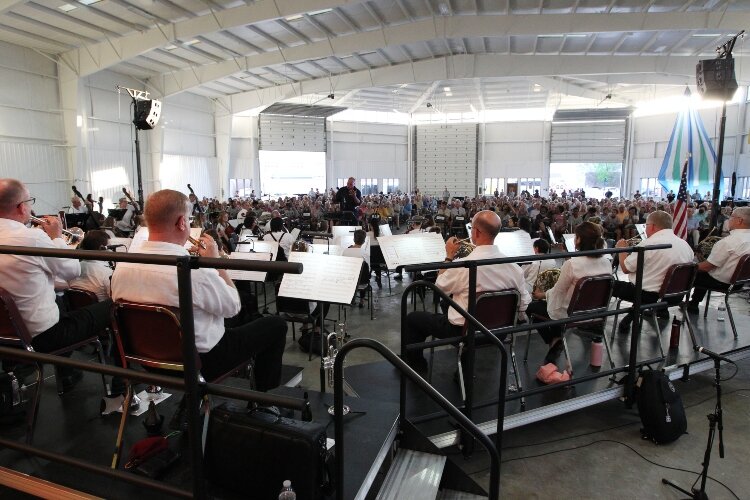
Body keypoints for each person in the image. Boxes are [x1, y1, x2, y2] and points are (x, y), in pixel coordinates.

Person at [111, 189, 287, 392]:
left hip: (146, 360)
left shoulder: (122, 267)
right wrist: (216, 264)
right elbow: (233, 307)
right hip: (202, 361)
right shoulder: (194, 272)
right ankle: (265, 402)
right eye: (189, 218)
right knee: (275, 325)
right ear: (181, 222)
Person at [0, 178, 111, 391]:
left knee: (61, 298)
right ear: (21, 207)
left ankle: (66, 371)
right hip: (42, 337)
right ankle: (120, 384)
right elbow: (73, 270)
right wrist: (57, 238)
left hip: (7, 334)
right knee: (114, 305)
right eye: (29, 201)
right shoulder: (31, 238)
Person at [404, 210, 530, 373]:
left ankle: (417, 368)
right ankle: (464, 361)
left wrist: (449, 256)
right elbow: (524, 304)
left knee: (412, 319)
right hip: (499, 332)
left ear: (476, 232)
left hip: (464, 332)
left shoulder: (464, 266)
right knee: (449, 303)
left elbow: (439, 286)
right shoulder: (514, 268)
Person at [526, 222, 611, 364]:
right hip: (594, 313)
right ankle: (557, 339)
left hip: (571, 313)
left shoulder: (572, 264)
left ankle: (555, 340)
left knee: (532, 307)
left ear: (578, 240)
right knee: (555, 304)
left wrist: (542, 295)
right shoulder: (607, 262)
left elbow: (558, 292)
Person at [612, 210, 694, 334]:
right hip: (676, 295)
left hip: (648, 295)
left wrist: (621, 250)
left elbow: (625, 268)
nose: (645, 229)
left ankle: (593, 323)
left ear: (653, 226)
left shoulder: (649, 244)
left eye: (646, 226)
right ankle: (632, 318)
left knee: (607, 284)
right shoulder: (685, 245)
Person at [687, 206, 750, 313]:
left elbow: (708, 266)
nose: (728, 220)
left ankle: (665, 306)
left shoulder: (729, 242)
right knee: (704, 273)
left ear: (740, 221)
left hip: (723, 282)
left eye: (732, 217)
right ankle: (693, 303)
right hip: (740, 283)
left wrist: (688, 266)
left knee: (685, 273)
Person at [68, 230, 113, 302]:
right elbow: (115, 299)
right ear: (101, 248)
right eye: (109, 246)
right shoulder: (107, 273)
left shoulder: (73, 267)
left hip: (73, 311)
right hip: (100, 312)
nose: (111, 250)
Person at [342, 229, 370, 308]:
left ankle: (351, 299)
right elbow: (368, 271)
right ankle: (362, 300)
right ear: (364, 241)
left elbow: (343, 267)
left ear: (354, 239)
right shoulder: (365, 254)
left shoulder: (345, 251)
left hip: (347, 281)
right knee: (362, 275)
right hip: (362, 283)